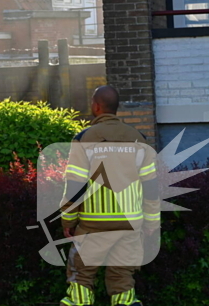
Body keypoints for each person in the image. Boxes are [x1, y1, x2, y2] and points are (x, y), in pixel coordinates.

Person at [58, 85, 158, 306]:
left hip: (92, 225)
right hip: (130, 225)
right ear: (116, 108)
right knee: (122, 279)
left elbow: (75, 185)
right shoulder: (139, 139)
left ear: (96, 106)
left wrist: (68, 219)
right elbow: (151, 187)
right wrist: (151, 222)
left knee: (81, 277)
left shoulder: (84, 138)